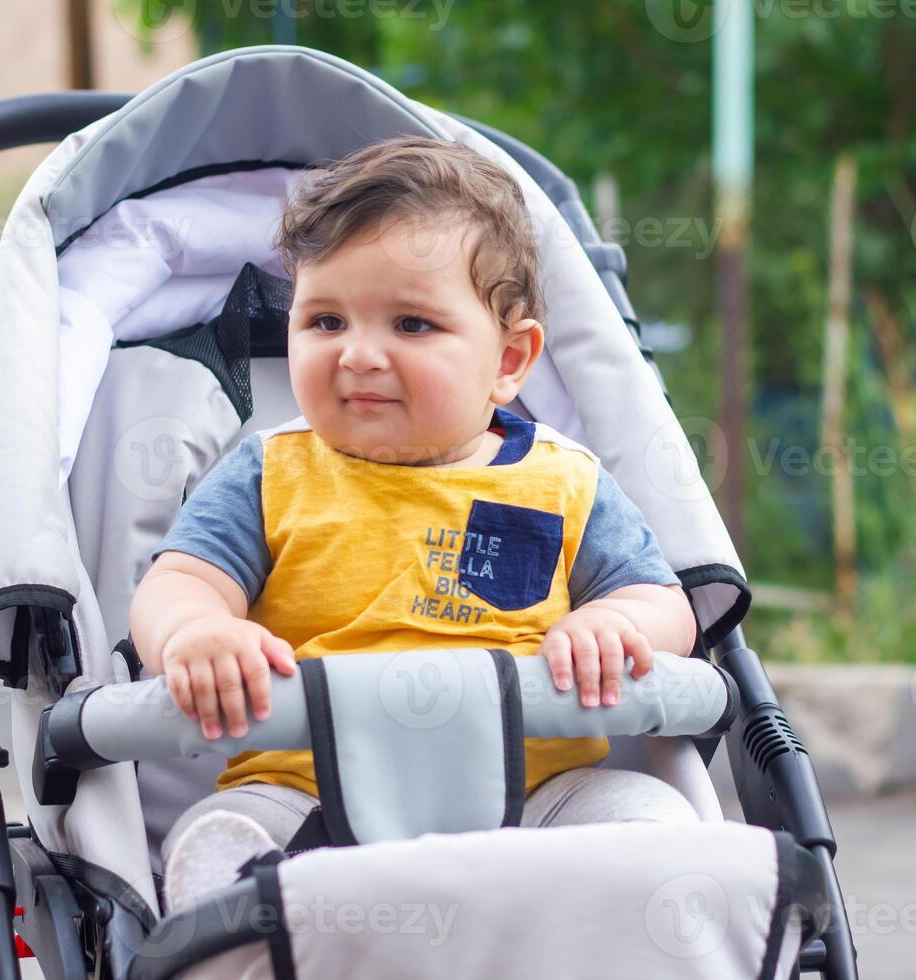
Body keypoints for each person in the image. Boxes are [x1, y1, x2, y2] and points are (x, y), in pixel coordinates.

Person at [128, 136, 701, 910]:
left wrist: (616, 622)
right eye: (326, 321)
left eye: (411, 325)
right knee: (224, 833)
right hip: (306, 797)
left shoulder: (564, 482)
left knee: (653, 821)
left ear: (508, 361)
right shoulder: (268, 473)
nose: (359, 355)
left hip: (535, 806)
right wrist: (194, 633)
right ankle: (247, 934)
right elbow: (181, 581)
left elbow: (665, 603)